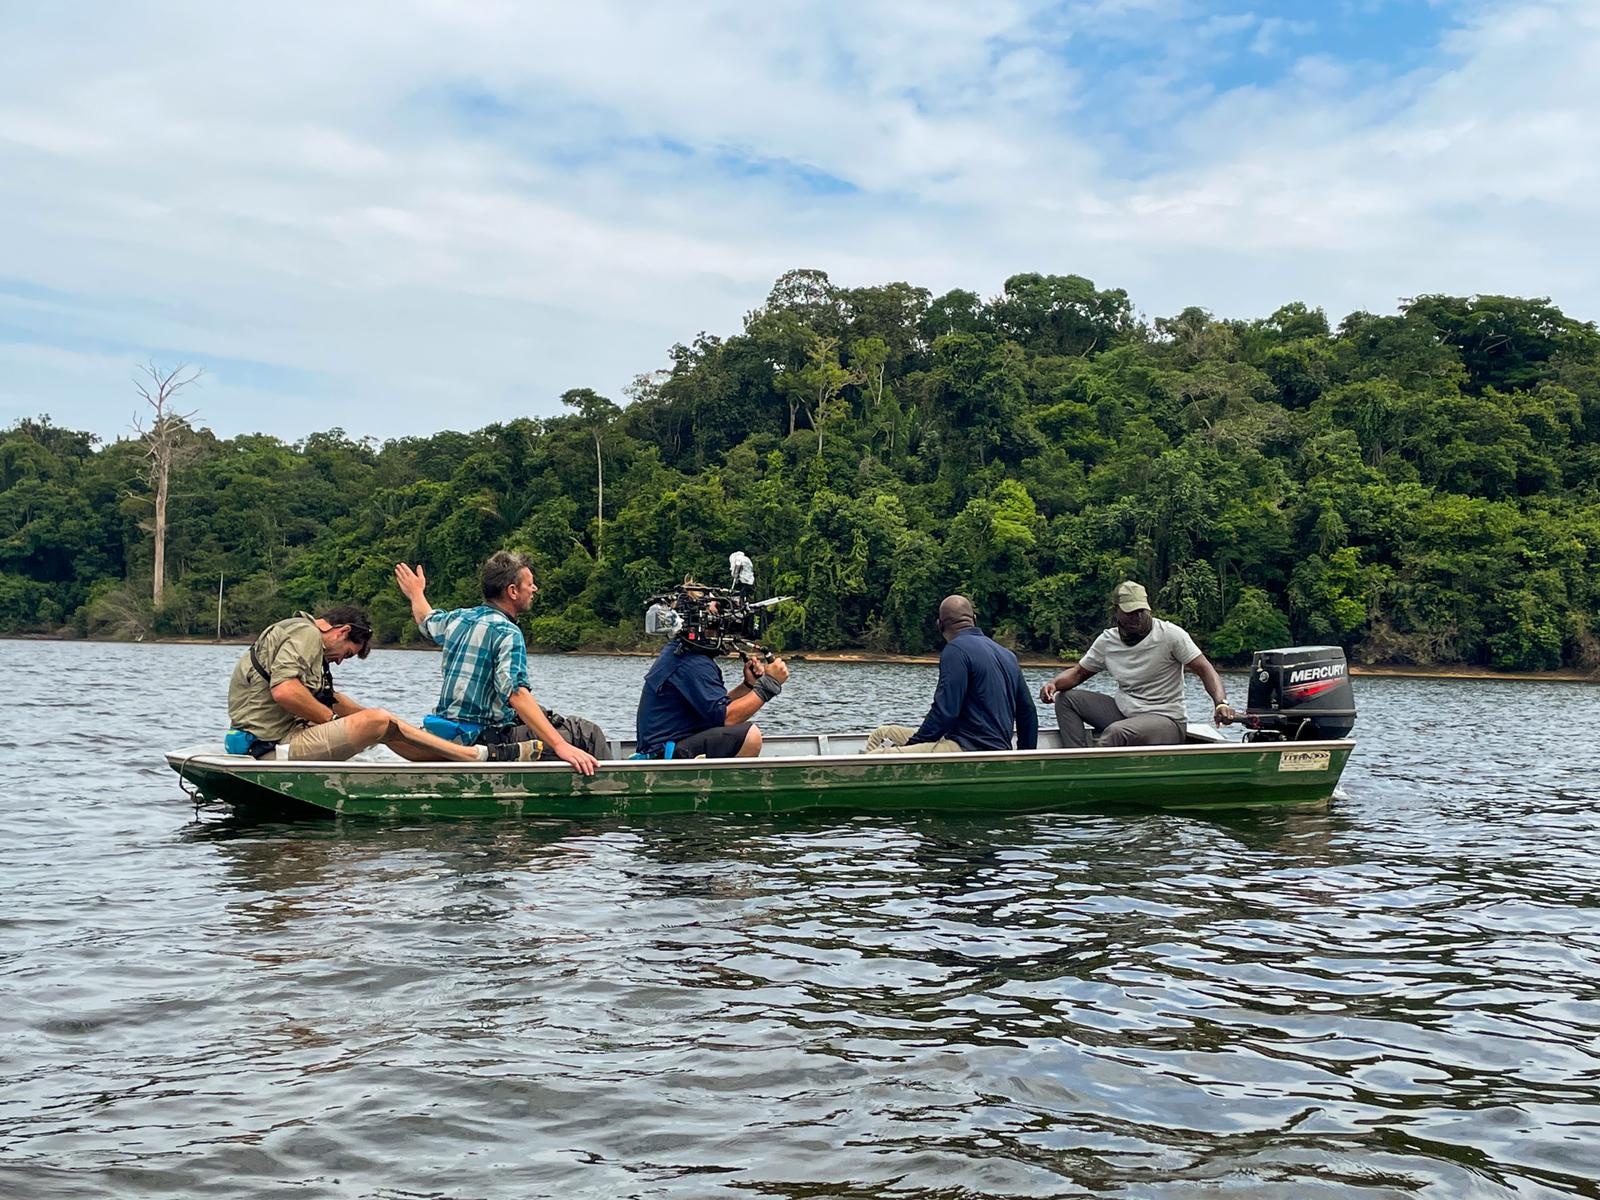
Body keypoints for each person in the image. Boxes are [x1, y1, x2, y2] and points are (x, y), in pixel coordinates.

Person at [395, 552, 603, 775]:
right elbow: (515, 693)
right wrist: (561, 746)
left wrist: (416, 593)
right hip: (481, 736)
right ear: (513, 591)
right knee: (587, 733)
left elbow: (426, 620)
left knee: (547, 719)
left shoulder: (459, 618)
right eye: (530, 585)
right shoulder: (507, 632)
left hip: (446, 730)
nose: (534, 590)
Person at [225, 606, 488, 763]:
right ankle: (468, 756)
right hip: (270, 747)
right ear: (342, 631)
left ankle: (452, 756)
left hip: (268, 740)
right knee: (378, 721)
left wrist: (381, 721)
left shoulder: (304, 642)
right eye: (348, 653)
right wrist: (332, 719)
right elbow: (286, 691)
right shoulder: (306, 633)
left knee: (382, 722)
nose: (340, 662)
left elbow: (332, 698)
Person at [1039, 581, 1236, 748]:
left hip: (1166, 720)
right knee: (1066, 699)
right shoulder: (1108, 641)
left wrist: (1220, 703)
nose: (1137, 618)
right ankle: (1077, 762)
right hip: (1125, 713)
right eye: (1130, 612)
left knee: (1116, 732)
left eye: (1141, 611)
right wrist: (1053, 685)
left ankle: (1092, 773)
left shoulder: (1170, 635)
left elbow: (1205, 669)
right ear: (1116, 611)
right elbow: (1079, 672)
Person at [864, 595, 1038, 754]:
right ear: (974, 620)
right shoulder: (1007, 655)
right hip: (974, 742)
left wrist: (912, 745)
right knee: (881, 734)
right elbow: (1028, 712)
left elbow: (945, 712)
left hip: (967, 748)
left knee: (879, 755)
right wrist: (1025, 755)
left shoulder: (955, 650)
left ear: (940, 625)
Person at [634, 615, 791, 759]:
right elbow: (728, 719)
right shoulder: (693, 663)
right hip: (663, 757)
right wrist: (770, 683)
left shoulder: (681, 653)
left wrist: (748, 685)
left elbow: (715, 711)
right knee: (751, 736)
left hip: (661, 750)